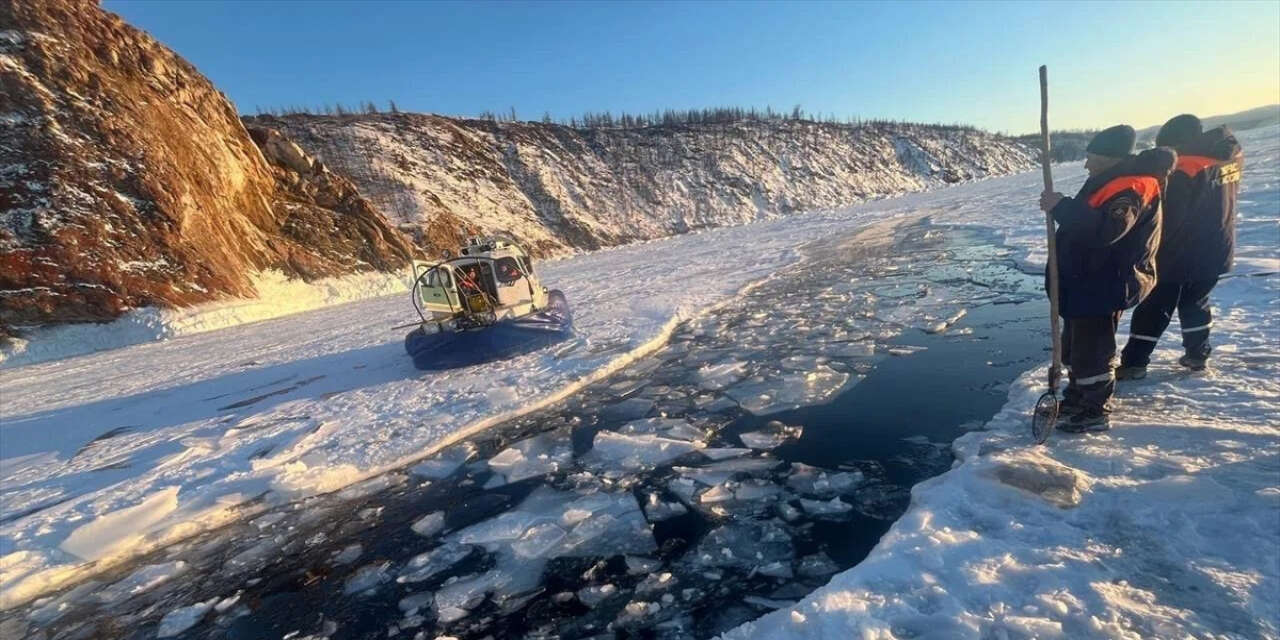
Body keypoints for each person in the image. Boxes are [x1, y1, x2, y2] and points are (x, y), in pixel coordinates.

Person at [1038, 125, 1174, 432]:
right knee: (1075, 346)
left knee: (1092, 351)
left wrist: (1062, 207)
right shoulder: (1111, 181)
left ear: (1110, 157)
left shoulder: (1132, 188)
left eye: (1092, 157)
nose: (1086, 164)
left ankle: (1094, 410)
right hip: (1087, 280)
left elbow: (1106, 231)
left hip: (1104, 282)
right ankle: (1077, 396)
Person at [1116, 115, 1242, 379]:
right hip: (1217, 247)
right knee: (1195, 301)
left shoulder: (1185, 168)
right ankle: (1198, 354)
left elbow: (1169, 216)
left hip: (1181, 251)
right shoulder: (1227, 156)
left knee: (1154, 304)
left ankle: (1134, 363)